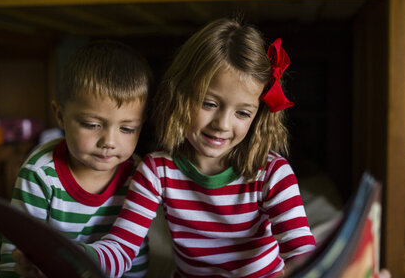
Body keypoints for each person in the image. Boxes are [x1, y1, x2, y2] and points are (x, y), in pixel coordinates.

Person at [76, 17, 317, 277]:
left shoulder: (272, 174)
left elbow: (300, 252)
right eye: (208, 104)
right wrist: (77, 256)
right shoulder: (157, 170)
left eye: (243, 113)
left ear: (257, 116)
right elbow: (121, 248)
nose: (222, 124)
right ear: (180, 94)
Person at [0, 40, 154, 278]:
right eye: (92, 125)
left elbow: (132, 255)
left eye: (127, 129)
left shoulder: (141, 176)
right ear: (60, 116)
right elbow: (14, 255)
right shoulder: (40, 172)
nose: (109, 141)